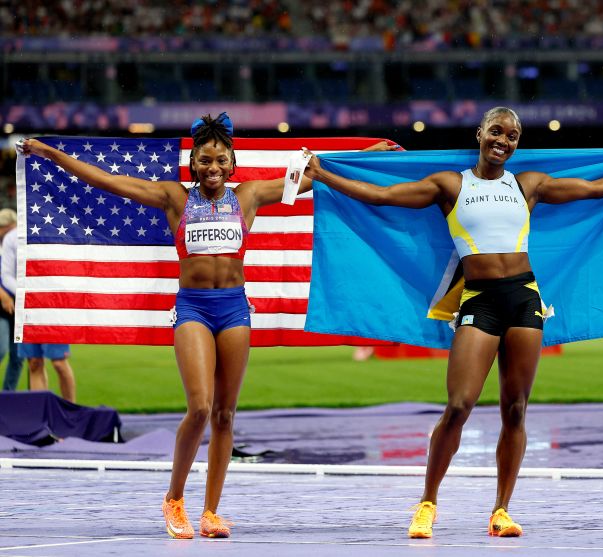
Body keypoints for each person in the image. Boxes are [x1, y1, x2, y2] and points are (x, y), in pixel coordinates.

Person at [303, 106, 603, 538]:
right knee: (459, 405)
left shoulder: (528, 184)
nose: (503, 140)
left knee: (515, 410)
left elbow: (594, 189)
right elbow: (383, 197)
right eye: (496, 131)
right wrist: (325, 175)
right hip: (479, 300)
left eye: (512, 135)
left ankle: (501, 510)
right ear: (480, 133)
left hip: (524, 299)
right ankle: (427, 503)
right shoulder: (451, 184)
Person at [19, 113, 395, 540]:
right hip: (194, 309)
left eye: (219, 161)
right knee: (199, 407)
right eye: (204, 161)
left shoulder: (249, 196)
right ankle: (174, 498)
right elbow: (106, 180)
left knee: (224, 415)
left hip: (234, 310)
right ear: (192, 164)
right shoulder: (173, 198)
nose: (212, 168)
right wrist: (50, 153)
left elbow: (316, 177)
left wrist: (369, 156)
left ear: (232, 164)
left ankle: (211, 512)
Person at [0, 208, 26, 391]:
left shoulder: (19, 242)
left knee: (18, 357)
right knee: (0, 350)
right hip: (2, 308)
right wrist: (2, 294)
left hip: (21, 308)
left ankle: (7, 398)